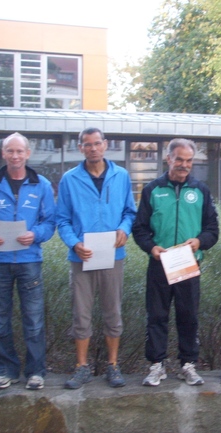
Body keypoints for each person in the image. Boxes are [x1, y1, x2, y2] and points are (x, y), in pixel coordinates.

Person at [0, 132, 56, 391]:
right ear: (3, 153)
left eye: (20, 151)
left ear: (28, 153)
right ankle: (5, 370)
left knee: (34, 320)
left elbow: (50, 222)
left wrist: (36, 234)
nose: (15, 156)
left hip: (30, 261)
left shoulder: (41, 184)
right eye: (10, 151)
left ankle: (36, 371)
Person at [133, 138, 219, 387]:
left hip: (188, 264)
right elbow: (139, 228)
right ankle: (156, 365)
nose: (184, 165)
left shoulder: (200, 190)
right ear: (168, 158)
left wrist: (199, 242)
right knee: (157, 316)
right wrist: (151, 247)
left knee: (188, 316)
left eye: (189, 160)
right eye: (179, 159)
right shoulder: (152, 190)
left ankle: (187, 365)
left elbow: (212, 229)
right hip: (160, 263)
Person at [56, 127, 136, 389]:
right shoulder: (69, 179)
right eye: (87, 144)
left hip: (113, 254)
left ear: (105, 144)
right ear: (80, 148)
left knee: (113, 312)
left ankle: (113, 365)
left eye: (97, 143)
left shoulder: (121, 176)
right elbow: (62, 219)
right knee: (81, 314)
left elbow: (130, 211)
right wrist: (74, 243)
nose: (93, 148)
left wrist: (124, 229)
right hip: (82, 257)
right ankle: (81, 367)